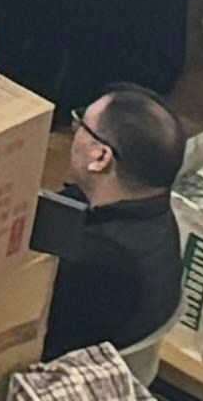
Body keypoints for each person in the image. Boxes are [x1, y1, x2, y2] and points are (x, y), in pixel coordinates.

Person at [35, 90, 189, 357]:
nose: (74, 133)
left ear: (101, 158)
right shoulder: (154, 214)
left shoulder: (98, 263)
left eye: (80, 123)